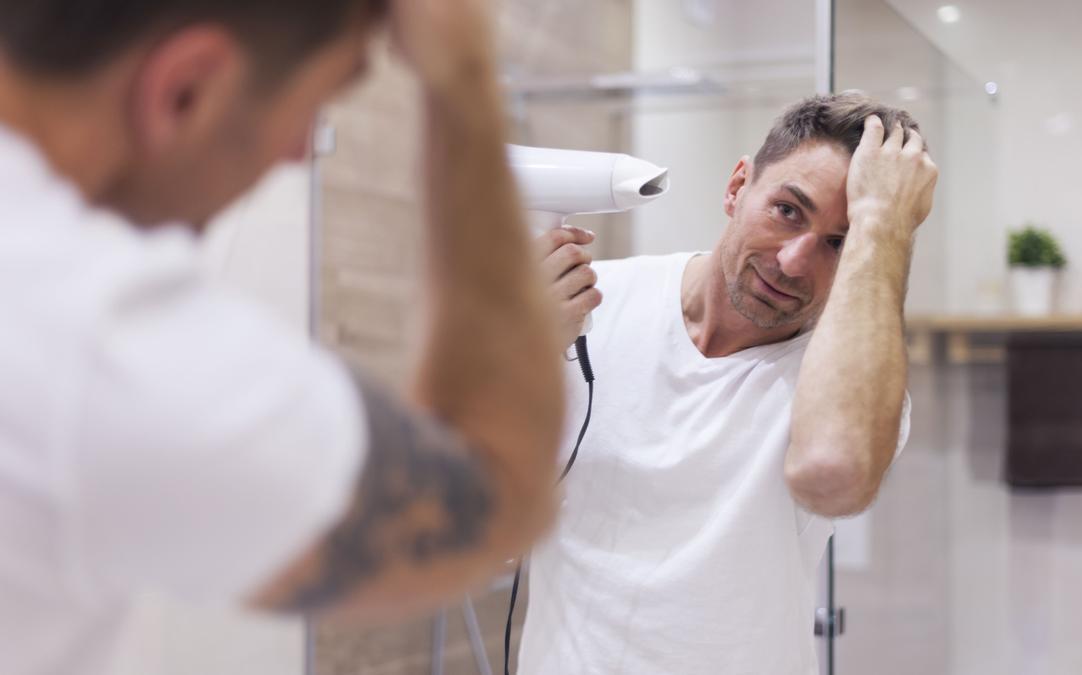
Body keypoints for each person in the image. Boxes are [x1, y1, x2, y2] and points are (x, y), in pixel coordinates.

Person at [0, 1, 566, 673]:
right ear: (186, 89)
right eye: (322, 98)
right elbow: (501, 484)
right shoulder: (94, 342)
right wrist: (464, 79)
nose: (301, 152)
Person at [521, 93, 939, 674]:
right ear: (738, 186)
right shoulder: (587, 307)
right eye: (788, 210)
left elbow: (833, 475)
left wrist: (886, 228)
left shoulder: (845, 383)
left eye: (839, 242)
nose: (795, 261)